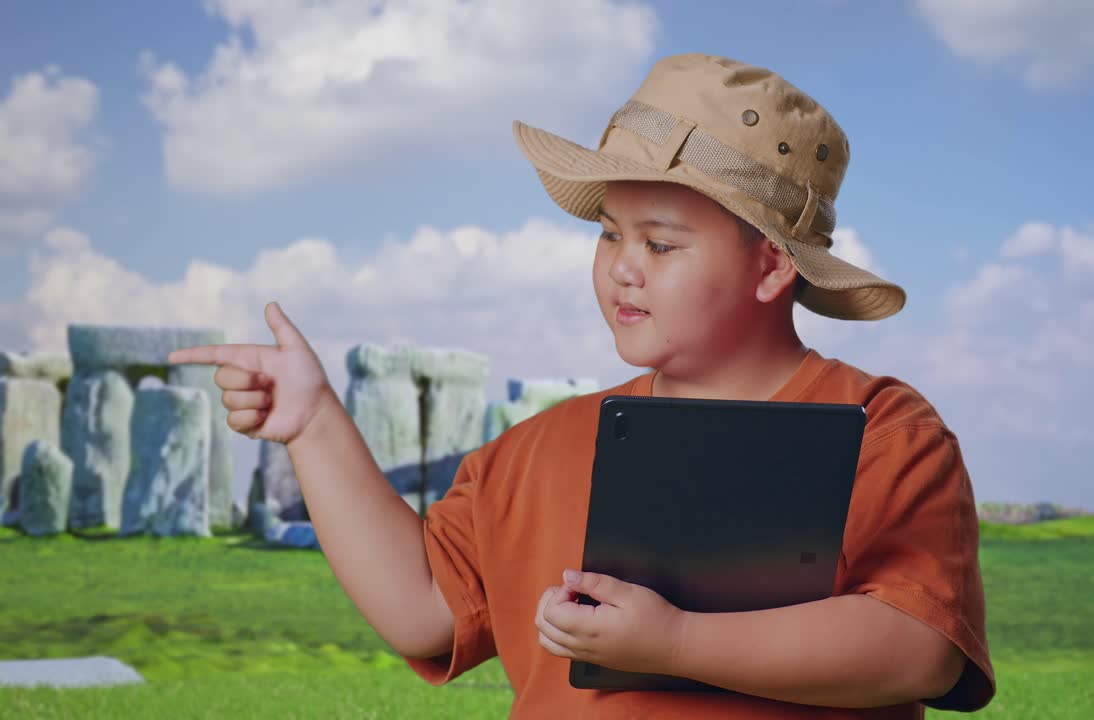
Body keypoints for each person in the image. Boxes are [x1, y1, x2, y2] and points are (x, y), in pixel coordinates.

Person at [169, 53, 995, 718]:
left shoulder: (879, 429)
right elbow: (422, 607)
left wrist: (674, 644)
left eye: (661, 244)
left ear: (773, 263)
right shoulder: (543, 447)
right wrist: (314, 424)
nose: (622, 267)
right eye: (608, 236)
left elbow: (919, 648)